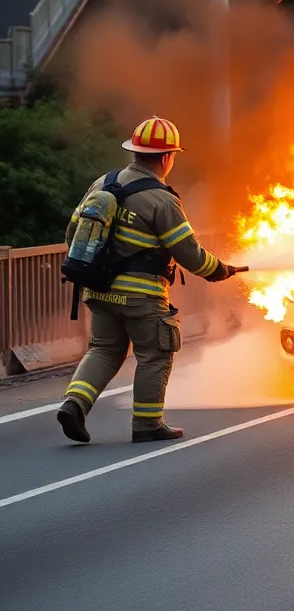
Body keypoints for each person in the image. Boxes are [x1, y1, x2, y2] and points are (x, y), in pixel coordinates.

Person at [56, 116, 243, 444]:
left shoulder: (102, 184)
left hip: (97, 290)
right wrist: (218, 270)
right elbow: (188, 252)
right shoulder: (161, 199)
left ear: (135, 152)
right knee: (156, 352)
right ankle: (147, 424)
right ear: (167, 157)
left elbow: (73, 231)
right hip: (141, 296)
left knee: (103, 349)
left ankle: (75, 403)